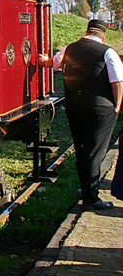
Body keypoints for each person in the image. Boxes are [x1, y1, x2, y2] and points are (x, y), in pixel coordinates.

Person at [39, 19, 123, 210]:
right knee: (95, 151)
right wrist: (117, 106)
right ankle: (91, 198)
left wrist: (44, 61)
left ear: (86, 32)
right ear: (103, 35)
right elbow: (117, 81)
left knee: (82, 148)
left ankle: (86, 189)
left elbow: (54, 63)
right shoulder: (108, 52)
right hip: (100, 109)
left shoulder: (70, 48)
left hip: (75, 107)